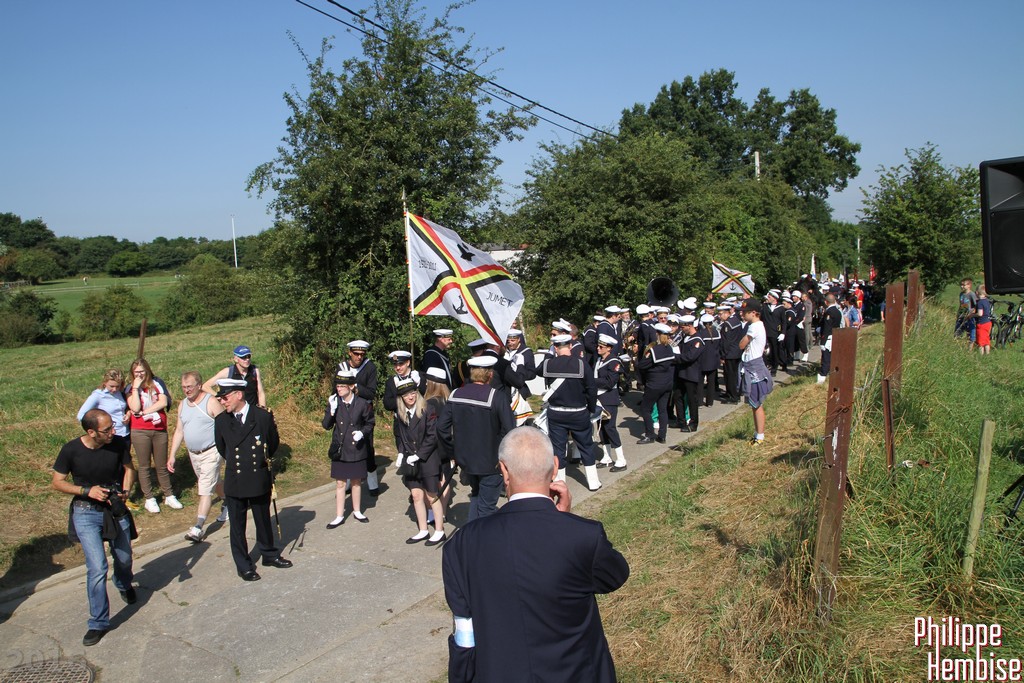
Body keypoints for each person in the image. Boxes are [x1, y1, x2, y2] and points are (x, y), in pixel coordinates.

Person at [442, 426, 629, 683]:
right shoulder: (583, 536)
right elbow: (616, 576)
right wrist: (565, 520)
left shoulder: (462, 544)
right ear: (555, 466)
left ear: (503, 470)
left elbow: (465, 632)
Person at [52, 409, 137, 647]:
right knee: (97, 567)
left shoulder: (117, 444)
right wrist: (86, 491)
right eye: (107, 429)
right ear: (91, 432)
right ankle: (98, 622)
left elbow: (130, 469)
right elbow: (57, 482)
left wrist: (125, 491)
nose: (113, 432)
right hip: (85, 512)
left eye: (112, 427)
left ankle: (123, 583)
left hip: (114, 508)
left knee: (124, 558)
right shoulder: (71, 450)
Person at [214, 378, 292, 581]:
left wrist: (257, 463)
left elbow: (272, 444)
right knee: (237, 526)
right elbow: (223, 449)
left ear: (239, 395)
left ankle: (269, 554)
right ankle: (243, 564)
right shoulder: (221, 421)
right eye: (220, 398)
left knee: (263, 519)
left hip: (258, 475)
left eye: (225, 397)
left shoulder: (262, 416)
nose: (222, 401)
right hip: (235, 478)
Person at [436, 356, 515, 520]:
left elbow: (441, 427)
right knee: (487, 507)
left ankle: (472, 531)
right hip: (491, 463)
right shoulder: (497, 397)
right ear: (490, 375)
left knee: (476, 496)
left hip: (466, 461)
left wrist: (453, 451)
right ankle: (480, 536)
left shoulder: (456, 394)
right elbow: (510, 431)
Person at [168, 371, 228, 542]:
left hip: (211, 451)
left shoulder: (211, 402)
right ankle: (229, 501)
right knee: (214, 481)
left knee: (205, 489)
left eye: (189, 387)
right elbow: (179, 431)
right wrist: (172, 455)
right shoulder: (183, 405)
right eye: (183, 387)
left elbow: (225, 425)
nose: (186, 390)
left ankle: (198, 527)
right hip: (194, 454)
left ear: (199, 386)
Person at [537, 333, 601, 490]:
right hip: (579, 412)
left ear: (555, 347)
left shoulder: (549, 364)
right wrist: (591, 409)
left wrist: (549, 355)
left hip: (556, 412)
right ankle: (593, 482)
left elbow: (537, 371)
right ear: (571, 346)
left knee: (558, 448)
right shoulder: (581, 364)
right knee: (586, 446)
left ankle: (560, 483)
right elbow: (591, 389)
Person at [393, 379, 446, 545]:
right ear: (401, 398)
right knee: (416, 495)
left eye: (413, 393)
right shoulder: (400, 413)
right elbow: (400, 436)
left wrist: (419, 455)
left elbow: (432, 436)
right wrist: (401, 453)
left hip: (427, 459)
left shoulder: (428, 409)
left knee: (432, 495)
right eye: (406, 395)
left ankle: (439, 531)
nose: (410, 397)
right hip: (411, 460)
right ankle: (423, 530)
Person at [125, 358, 181, 513]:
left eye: (142, 371)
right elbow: (135, 407)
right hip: (140, 430)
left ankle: (169, 495)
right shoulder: (130, 388)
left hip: (159, 429)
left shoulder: (157, 383)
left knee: (161, 465)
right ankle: (149, 498)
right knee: (144, 465)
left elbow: (163, 402)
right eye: (136, 372)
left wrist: (145, 412)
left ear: (147, 370)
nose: (139, 374)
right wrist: (135, 389)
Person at [323, 369, 375, 527]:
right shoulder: (335, 402)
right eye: (337, 386)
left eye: (342, 386)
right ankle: (339, 515)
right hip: (340, 448)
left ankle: (357, 511)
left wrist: (362, 433)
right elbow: (326, 425)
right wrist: (331, 411)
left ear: (351, 386)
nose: (338, 389)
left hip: (356, 448)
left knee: (356, 481)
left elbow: (370, 423)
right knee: (340, 483)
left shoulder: (362, 404)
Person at [338, 340, 381, 494]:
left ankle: (372, 481)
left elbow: (371, 393)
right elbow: (336, 389)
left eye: (362, 354)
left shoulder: (369, 367)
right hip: (345, 411)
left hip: (363, 412)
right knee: (346, 446)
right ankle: (349, 480)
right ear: (350, 353)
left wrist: (355, 388)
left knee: (367, 447)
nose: (359, 357)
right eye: (356, 354)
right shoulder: (341, 367)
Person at [738, 299, 774, 445]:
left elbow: (741, 344)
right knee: (754, 405)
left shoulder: (755, 327)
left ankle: (760, 435)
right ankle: (757, 433)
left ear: (753, 313)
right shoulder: (755, 326)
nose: (742, 314)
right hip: (750, 365)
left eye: (745, 312)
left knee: (757, 403)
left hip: (754, 367)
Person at [636, 322, 676, 444]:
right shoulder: (669, 348)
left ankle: (649, 435)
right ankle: (662, 436)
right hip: (667, 383)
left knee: (645, 409)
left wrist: (645, 356)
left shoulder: (654, 350)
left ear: (657, 334)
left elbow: (642, 365)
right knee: (662, 409)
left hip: (655, 384)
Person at [77, 369, 131, 458]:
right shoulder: (98, 395)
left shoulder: (121, 393)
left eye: (117, 386)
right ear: (105, 383)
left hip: (125, 433)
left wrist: (128, 414)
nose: (114, 389)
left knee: (125, 460)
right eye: (111, 386)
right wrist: (97, 428)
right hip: (110, 436)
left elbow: (125, 408)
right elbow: (81, 415)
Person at [594, 334, 627, 472]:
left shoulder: (613, 362)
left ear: (609, 348)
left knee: (610, 428)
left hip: (609, 398)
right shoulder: (599, 360)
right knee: (601, 428)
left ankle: (621, 459)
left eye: (601, 347)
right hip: (598, 397)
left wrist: (591, 382)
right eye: (598, 346)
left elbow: (609, 382)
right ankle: (607, 457)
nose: (598, 348)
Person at [203, 345, 267, 408]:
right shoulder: (228, 371)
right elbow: (205, 386)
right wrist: (219, 396)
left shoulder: (254, 371)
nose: (247, 359)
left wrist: (262, 410)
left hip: (253, 410)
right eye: (243, 357)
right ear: (236, 359)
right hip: (235, 411)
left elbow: (261, 393)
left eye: (249, 356)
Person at [673, 315, 704, 433]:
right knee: (678, 396)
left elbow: (690, 357)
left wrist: (675, 358)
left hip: (691, 374)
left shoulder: (697, 340)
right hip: (681, 372)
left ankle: (693, 423)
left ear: (689, 326)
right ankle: (681, 420)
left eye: (683, 327)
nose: (681, 329)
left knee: (692, 400)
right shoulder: (685, 338)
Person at [504, 329, 537, 426]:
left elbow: (532, 373)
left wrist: (519, 372)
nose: (510, 343)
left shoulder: (526, 352)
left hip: (518, 390)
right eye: (508, 341)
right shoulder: (504, 351)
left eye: (513, 340)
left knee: (518, 422)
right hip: (505, 389)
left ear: (519, 339)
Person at [717, 304, 743, 404]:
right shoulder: (736, 320)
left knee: (730, 375)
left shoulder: (727, 324)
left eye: (721, 314)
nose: (719, 316)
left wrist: (723, 355)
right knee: (733, 374)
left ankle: (733, 397)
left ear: (727, 313)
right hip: (736, 351)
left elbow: (726, 342)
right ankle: (730, 393)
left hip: (729, 354)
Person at [817, 293, 843, 384]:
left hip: (828, 338)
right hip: (835, 336)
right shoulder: (837, 311)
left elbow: (827, 328)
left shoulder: (829, 312)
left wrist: (823, 341)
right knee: (833, 357)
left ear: (826, 302)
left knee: (826, 358)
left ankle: (822, 377)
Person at [974, 285, 993, 355]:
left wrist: (972, 315)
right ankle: (987, 353)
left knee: (981, 341)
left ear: (977, 292)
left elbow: (980, 314)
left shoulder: (980, 302)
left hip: (982, 323)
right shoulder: (987, 301)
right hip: (988, 322)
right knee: (986, 339)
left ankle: (981, 355)